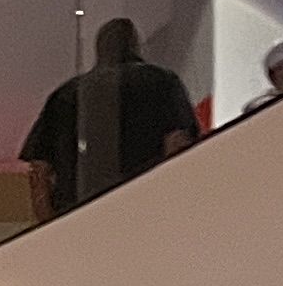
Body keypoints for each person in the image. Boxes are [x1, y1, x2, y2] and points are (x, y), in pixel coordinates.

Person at [21, 19, 198, 223]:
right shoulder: (163, 82)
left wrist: (48, 224)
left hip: (77, 216)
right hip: (145, 209)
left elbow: (39, 170)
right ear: (136, 45)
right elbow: (177, 145)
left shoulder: (66, 95)